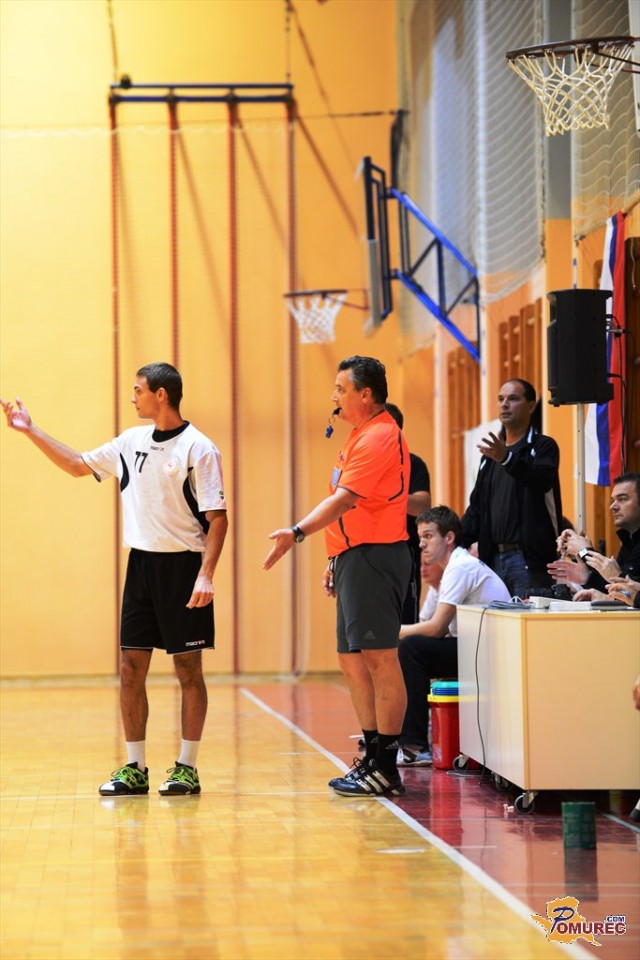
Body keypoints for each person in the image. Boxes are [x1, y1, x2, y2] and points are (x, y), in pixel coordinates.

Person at [1, 363, 228, 797]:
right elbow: (76, 465)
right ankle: (135, 767)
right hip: (140, 567)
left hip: (183, 568)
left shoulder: (199, 448)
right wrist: (30, 430)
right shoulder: (130, 442)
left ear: (161, 395)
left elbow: (218, 519)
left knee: (188, 669)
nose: (132, 397)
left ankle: (187, 767)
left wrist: (206, 574)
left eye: (138, 390)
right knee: (129, 668)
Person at [263, 356, 412, 798]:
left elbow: (345, 500)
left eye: (341, 389)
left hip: (376, 557)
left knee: (380, 659)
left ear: (366, 394)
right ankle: (371, 754)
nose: (334, 397)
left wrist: (296, 532)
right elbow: (348, 508)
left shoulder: (380, 435)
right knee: (351, 659)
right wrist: (335, 557)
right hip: (354, 557)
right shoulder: (358, 435)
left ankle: (387, 765)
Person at [398, 506, 510, 765]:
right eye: (420, 538)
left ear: (449, 538)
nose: (421, 544)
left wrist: (396, 631)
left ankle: (415, 746)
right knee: (411, 646)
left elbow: (436, 628)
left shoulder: (460, 567)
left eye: (428, 536)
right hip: (478, 646)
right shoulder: (453, 568)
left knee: (411, 649)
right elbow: (431, 625)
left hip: (492, 652)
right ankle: (406, 737)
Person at [461, 378, 562, 598]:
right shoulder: (490, 458)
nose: (504, 404)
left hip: (528, 561)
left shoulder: (543, 446)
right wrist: (456, 543)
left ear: (531, 406)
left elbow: (541, 480)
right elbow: (476, 508)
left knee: (529, 620)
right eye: (500, 399)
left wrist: (506, 458)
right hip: (492, 560)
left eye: (513, 398)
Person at [550, 473, 640, 601]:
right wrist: (587, 577)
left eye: (622, 499)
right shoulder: (628, 540)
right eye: (613, 500)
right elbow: (619, 591)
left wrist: (584, 551)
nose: (613, 506)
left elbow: (630, 592)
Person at [385, 402, 431, 622]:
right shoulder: (359, 463)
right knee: (366, 630)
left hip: (403, 553)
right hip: (364, 556)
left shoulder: (413, 464)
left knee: (403, 624)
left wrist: (386, 490)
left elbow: (422, 506)